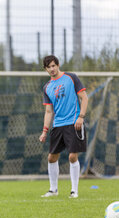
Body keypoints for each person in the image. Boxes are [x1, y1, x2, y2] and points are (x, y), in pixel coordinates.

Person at [39, 55, 88, 199]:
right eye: (49, 67)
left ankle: (74, 191)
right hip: (58, 125)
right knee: (51, 158)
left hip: (73, 122)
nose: (52, 69)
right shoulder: (47, 87)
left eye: (54, 65)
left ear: (58, 65)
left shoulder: (71, 77)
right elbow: (49, 111)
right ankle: (53, 190)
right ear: (46, 69)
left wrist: (81, 117)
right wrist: (44, 131)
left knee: (73, 156)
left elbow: (84, 97)